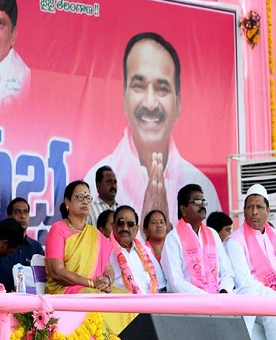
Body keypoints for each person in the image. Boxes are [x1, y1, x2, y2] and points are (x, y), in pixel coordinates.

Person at [84, 32, 221, 230]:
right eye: (139, 86)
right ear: (124, 98)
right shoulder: (92, 181)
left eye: (162, 88)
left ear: (178, 104)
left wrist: (166, 229)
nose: (150, 103)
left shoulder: (202, 185)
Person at [45, 180, 135, 334]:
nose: (85, 201)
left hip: (92, 288)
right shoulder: (58, 229)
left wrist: (107, 280)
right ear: (67, 202)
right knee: (93, 297)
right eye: (80, 197)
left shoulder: (95, 234)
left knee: (127, 299)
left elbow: (108, 268)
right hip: (65, 289)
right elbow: (57, 271)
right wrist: (91, 283)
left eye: (88, 198)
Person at [161, 184, 234, 294]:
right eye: (197, 202)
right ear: (183, 209)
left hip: (218, 300)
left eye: (203, 201)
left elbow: (227, 271)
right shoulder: (173, 238)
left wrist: (224, 291)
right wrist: (203, 297)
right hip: (190, 302)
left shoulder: (212, 234)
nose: (202, 206)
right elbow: (175, 281)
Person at [225, 184, 276, 338]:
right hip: (255, 300)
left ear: (268, 211)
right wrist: (272, 295)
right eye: (250, 207)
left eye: (259, 207)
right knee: (273, 313)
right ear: (244, 210)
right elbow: (244, 282)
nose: (254, 212)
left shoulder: (273, 235)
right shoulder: (235, 241)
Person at [109, 205, 166, 293]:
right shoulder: (105, 250)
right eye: (120, 223)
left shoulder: (147, 251)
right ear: (113, 226)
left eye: (130, 224)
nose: (125, 228)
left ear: (136, 229)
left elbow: (161, 286)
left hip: (151, 300)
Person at [0, 197, 45, 292]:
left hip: (31, 298)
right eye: (18, 212)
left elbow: (41, 279)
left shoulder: (36, 247)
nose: (23, 216)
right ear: (9, 217)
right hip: (3, 296)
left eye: (26, 212)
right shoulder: (0, 246)